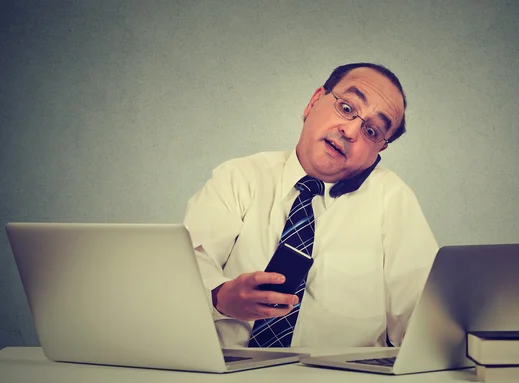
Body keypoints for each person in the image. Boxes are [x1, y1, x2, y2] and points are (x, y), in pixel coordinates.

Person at [183, 62, 438, 348]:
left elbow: (423, 318)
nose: (351, 131)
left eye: (372, 131)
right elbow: (184, 268)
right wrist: (219, 296)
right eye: (346, 108)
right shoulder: (239, 177)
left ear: (380, 149)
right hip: (230, 372)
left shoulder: (393, 199)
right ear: (314, 101)